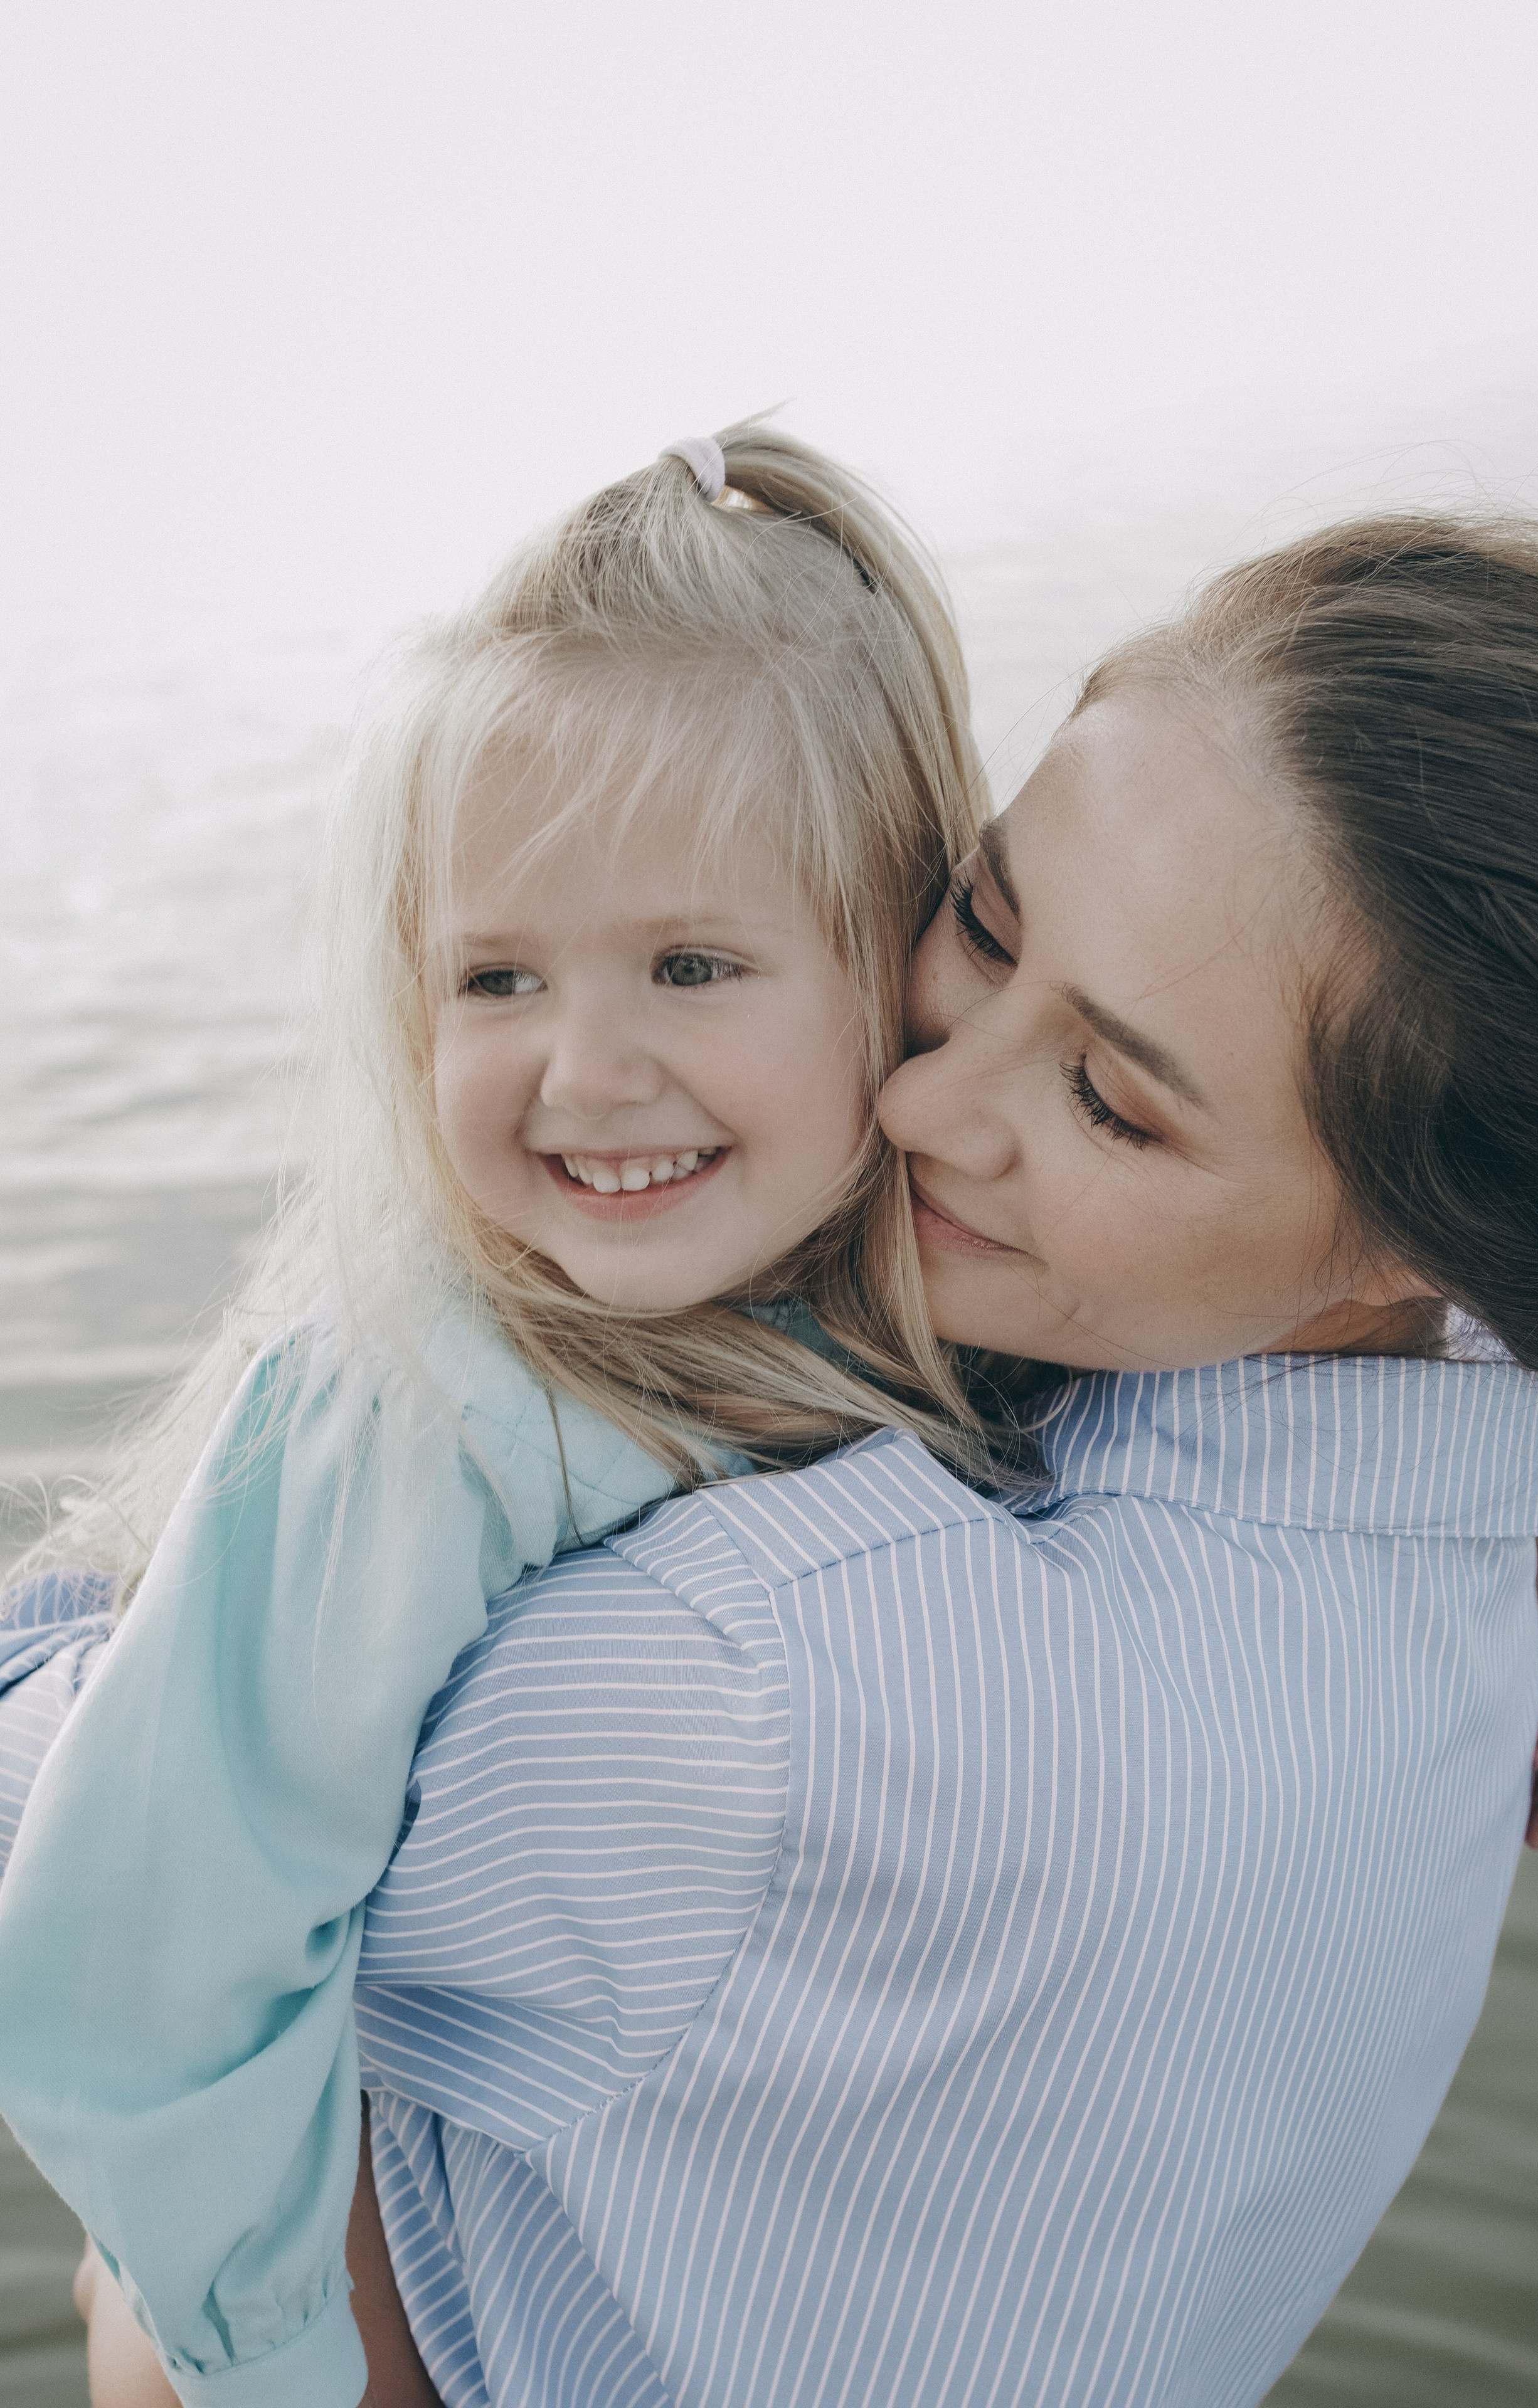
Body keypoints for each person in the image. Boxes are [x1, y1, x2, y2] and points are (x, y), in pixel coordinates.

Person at [6, 502, 1538, 2408]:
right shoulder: (1428, 1446)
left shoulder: (748, 1686)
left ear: (1422, 1238)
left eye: (1109, 1102)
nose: (919, 1100)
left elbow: (109, 1878)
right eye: (982, 921)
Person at [0, 423, 1022, 2408]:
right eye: (496, 979)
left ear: (899, 961)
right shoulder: (428, 1411)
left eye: (692, 964)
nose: (585, 1070)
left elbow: (1285, 1161)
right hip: (270, 2283)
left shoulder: (940, 1267)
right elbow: (143, 1956)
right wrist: (273, 2366)